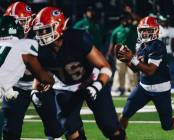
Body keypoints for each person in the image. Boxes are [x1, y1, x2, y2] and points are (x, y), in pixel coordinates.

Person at [33, 7, 126, 140]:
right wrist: (35, 90)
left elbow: (105, 66)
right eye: (39, 31)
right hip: (65, 87)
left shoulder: (77, 38)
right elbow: (39, 73)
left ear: (60, 26)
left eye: (46, 30)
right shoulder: (40, 49)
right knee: (70, 130)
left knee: (111, 128)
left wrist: (97, 86)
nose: (42, 35)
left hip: (90, 80)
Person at [115, 16, 174, 132]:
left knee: (167, 126)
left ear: (155, 31)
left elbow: (150, 70)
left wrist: (132, 58)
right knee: (124, 114)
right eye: (142, 30)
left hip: (161, 90)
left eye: (148, 30)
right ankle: (119, 137)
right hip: (143, 87)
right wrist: (127, 60)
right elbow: (136, 69)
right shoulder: (140, 44)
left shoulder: (158, 45)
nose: (144, 33)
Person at [2, 2, 63, 140]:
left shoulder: (41, 34)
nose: (17, 25)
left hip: (42, 85)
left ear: (30, 21)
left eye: (21, 21)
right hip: (15, 87)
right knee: (10, 130)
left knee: (54, 127)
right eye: (13, 21)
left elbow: (52, 62)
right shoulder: (5, 36)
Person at [108, 12, 138, 96]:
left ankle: (133, 89)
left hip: (131, 54)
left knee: (132, 72)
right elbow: (112, 43)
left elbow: (137, 21)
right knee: (120, 72)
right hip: (120, 54)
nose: (125, 21)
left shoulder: (133, 28)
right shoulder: (116, 30)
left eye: (126, 19)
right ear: (120, 21)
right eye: (123, 19)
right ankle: (120, 88)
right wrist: (109, 53)